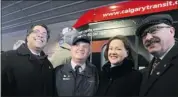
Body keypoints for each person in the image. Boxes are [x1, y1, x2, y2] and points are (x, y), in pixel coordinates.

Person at [1, 24, 54, 97]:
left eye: (44, 34)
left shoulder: (47, 64)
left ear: (46, 41)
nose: (40, 35)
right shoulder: (7, 58)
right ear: (27, 37)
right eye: (36, 32)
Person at [136, 14, 178, 96]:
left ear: (171, 31)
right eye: (144, 35)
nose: (148, 38)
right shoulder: (147, 69)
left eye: (154, 30)